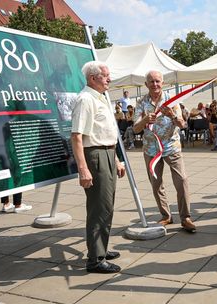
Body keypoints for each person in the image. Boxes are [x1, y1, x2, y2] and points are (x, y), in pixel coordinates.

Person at [71, 61, 126, 274]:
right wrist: (83, 169)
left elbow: (107, 133)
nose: (109, 79)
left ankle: (100, 248)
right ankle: (95, 259)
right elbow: (76, 137)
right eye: (105, 76)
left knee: (107, 206)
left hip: (108, 154)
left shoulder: (100, 97)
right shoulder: (85, 99)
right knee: (98, 208)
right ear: (93, 78)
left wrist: (117, 159)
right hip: (95, 156)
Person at [133, 70, 196, 233]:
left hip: (171, 147)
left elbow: (183, 125)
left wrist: (172, 115)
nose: (155, 84)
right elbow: (135, 128)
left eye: (157, 81)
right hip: (151, 150)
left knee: (181, 180)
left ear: (163, 83)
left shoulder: (172, 100)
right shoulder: (141, 103)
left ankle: (186, 217)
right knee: (156, 184)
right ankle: (166, 215)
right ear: (146, 84)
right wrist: (145, 120)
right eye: (151, 82)